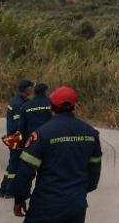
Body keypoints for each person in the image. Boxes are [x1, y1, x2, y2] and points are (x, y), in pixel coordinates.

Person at [11, 86, 102, 222]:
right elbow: (94, 171)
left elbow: (25, 171)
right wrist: (80, 191)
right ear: (74, 106)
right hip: (76, 207)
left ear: (51, 107)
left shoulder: (41, 134)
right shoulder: (91, 133)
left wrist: (20, 198)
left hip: (45, 207)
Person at [1, 79, 34, 199]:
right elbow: (19, 124)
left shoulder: (14, 101)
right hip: (17, 138)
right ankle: (9, 191)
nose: (32, 89)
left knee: (12, 163)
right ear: (27, 90)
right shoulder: (21, 104)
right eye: (31, 87)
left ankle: (3, 189)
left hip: (12, 137)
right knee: (15, 165)